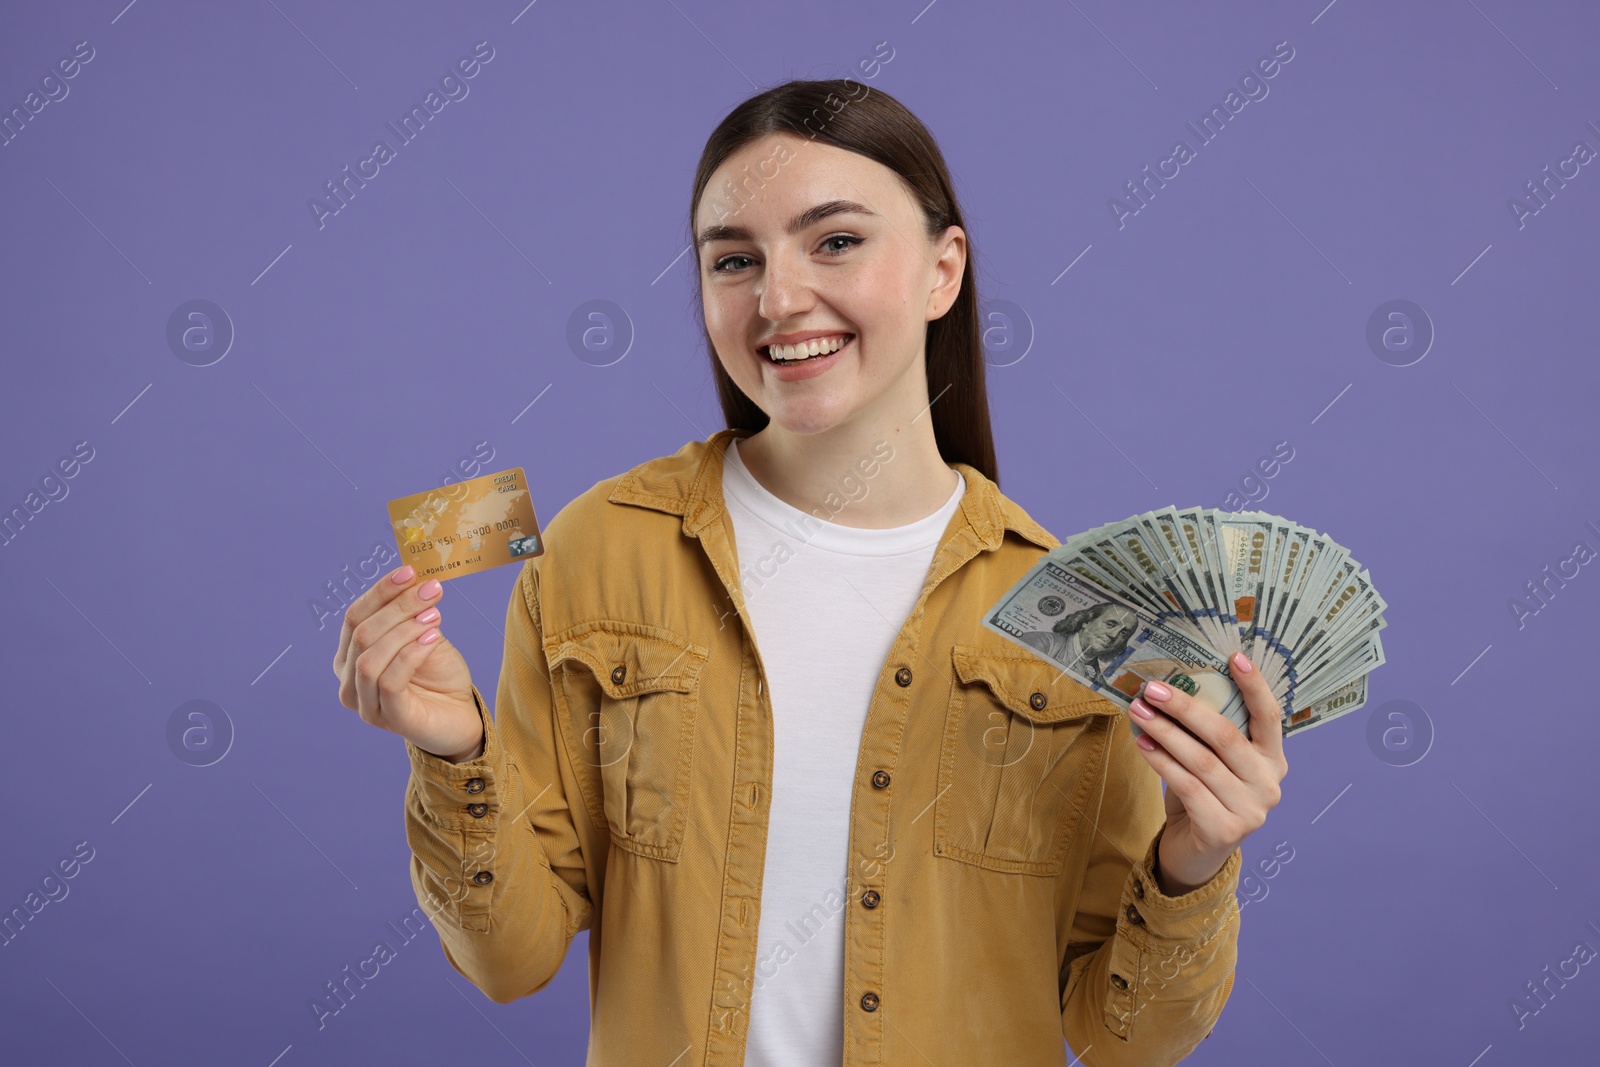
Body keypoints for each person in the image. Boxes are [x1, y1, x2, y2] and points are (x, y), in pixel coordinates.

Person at [333, 78, 1289, 1066]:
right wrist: (453, 750)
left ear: (941, 269)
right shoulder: (598, 550)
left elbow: (1122, 1036)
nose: (777, 297)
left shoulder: (1074, 615)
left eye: (835, 240)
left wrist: (1193, 859)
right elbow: (510, 959)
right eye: (734, 259)